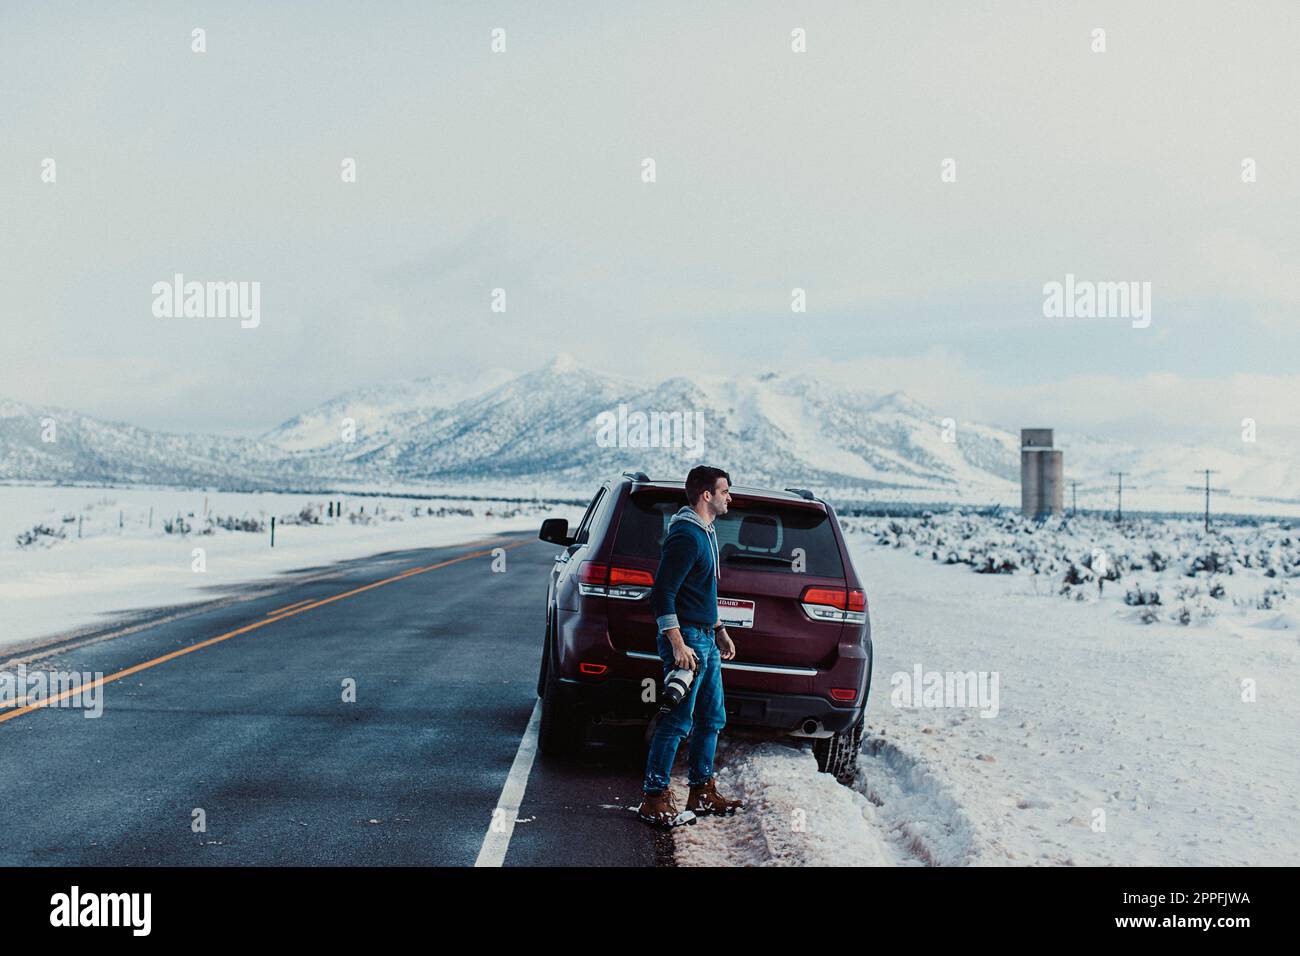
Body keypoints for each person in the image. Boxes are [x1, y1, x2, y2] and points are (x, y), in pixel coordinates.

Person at [637, 465, 745, 827]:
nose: (730, 497)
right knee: (677, 720)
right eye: (725, 491)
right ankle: (654, 797)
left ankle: (701, 792)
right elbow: (663, 594)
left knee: (712, 718)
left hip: (705, 637)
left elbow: (701, 591)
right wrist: (678, 643)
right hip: (688, 641)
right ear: (706, 495)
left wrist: (719, 629)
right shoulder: (686, 536)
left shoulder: (707, 533)